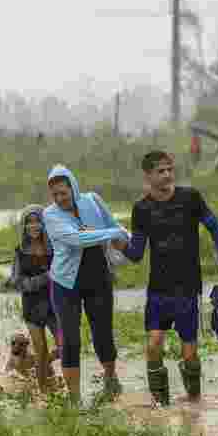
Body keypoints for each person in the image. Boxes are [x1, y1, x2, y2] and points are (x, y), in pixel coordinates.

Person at [111, 150, 218, 406]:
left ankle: (194, 404)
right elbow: (136, 254)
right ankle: (160, 406)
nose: (167, 175)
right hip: (158, 289)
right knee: (153, 345)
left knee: (189, 352)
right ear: (148, 176)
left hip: (188, 288)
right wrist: (118, 244)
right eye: (161, 171)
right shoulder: (141, 208)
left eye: (170, 169)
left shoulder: (190, 198)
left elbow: (216, 229)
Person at [43, 164, 129, 405]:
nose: (60, 199)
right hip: (66, 283)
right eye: (55, 195)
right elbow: (77, 238)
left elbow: (115, 226)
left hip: (98, 276)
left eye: (63, 193)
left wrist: (124, 238)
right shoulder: (50, 215)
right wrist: (109, 233)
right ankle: (74, 399)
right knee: (70, 339)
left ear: (73, 188)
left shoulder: (92, 201)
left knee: (103, 333)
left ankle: (110, 379)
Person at [4, 205, 61, 391]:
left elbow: (64, 273)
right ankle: (43, 393)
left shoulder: (55, 247)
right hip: (32, 306)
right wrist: (45, 278)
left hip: (55, 305)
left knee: (66, 346)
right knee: (41, 350)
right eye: (29, 222)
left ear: (45, 223)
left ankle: (43, 366)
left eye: (37, 221)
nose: (34, 226)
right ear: (24, 226)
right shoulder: (20, 250)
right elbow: (17, 281)